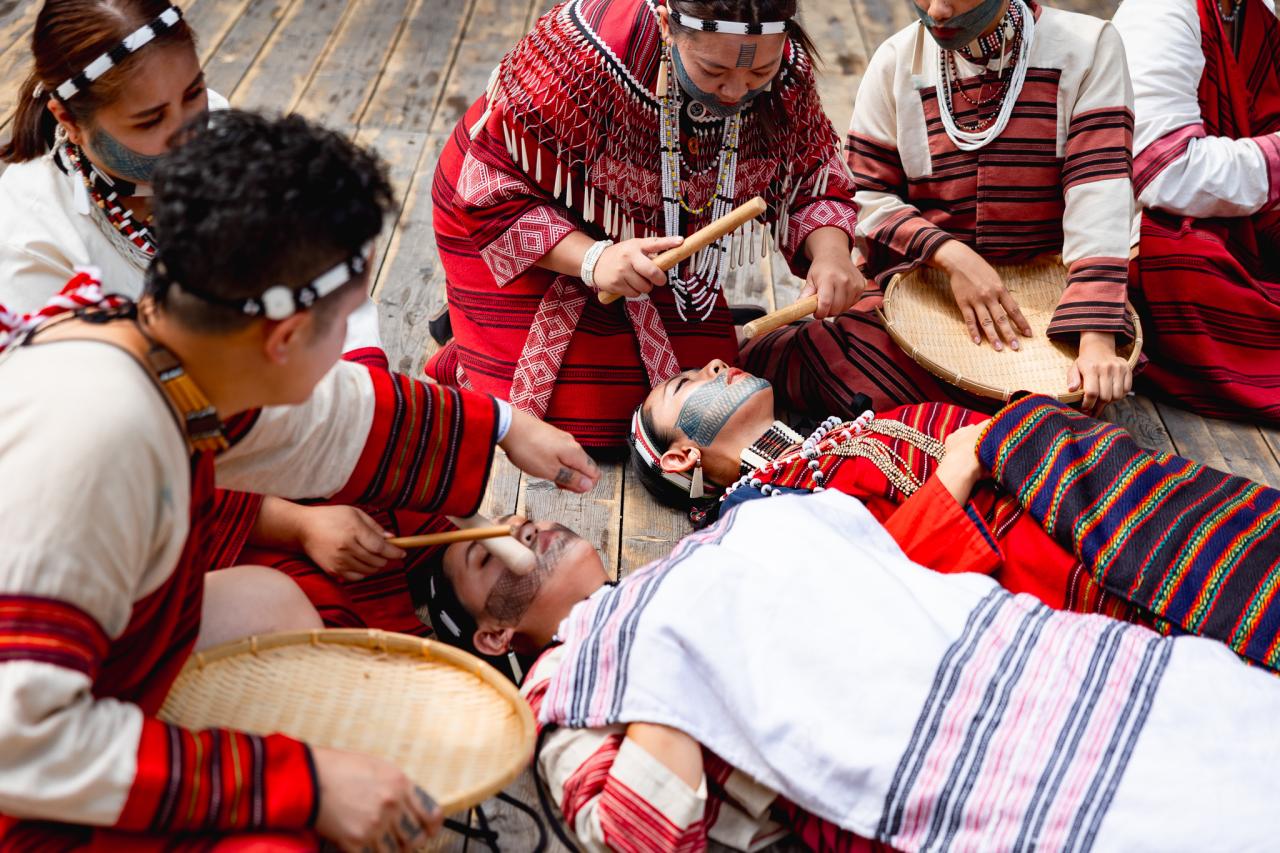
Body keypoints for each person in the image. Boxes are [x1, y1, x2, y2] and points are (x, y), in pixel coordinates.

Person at [0, 109, 599, 850]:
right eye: (346, 321)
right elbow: (24, 742)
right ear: (283, 337)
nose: (352, 348)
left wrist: (504, 426)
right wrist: (304, 783)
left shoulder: (156, 351)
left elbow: (319, 423)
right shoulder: (94, 440)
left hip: (89, 677)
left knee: (271, 605)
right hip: (27, 779)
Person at [428, 491, 1280, 852]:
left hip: (1015, 664)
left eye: (510, 517)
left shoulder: (688, 565)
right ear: (496, 635)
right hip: (933, 763)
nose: (518, 529)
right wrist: (661, 644)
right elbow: (637, 836)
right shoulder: (567, 692)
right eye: (483, 555)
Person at [0, 0, 461, 640]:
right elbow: (134, 447)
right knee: (318, 607)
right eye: (150, 120)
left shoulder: (215, 130)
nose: (189, 130)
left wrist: (363, 398)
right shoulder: (31, 243)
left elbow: (316, 275)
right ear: (67, 120)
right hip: (177, 487)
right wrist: (292, 521)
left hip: (258, 407)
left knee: (415, 496)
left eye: (193, 93)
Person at [629, 359, 1280, 670]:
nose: (714, 365)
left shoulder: (836, 439)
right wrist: (957, 471)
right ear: (682, 455)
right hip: (1070, 573)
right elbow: (863, 608)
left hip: (1123, 503)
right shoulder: (757, 516)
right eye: (686, 384)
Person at [428, 0, 863, 450]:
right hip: (520, 224)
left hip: (650, 238)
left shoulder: (785, 65)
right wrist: (594, 259)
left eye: (759, 73)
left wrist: (831, 255)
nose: (736, 91)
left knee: (694, 395)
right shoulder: (583, 51)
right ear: (666, 25)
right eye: (713, 71)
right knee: (595, 416)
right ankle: (471, 325)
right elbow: (489, 188)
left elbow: (813, 174)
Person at [745, 0, 1138, 415]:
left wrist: (1095, 340)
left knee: (1079, 382)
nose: (937, 11)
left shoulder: (1088, 47)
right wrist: (951, 257)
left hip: (1046, 299)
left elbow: (1099, 193)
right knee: (803, 356)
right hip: (927, 290)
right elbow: (866, 193)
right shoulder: (896, 60)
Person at [1112, 0, 1280, 424]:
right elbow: (1163, 171)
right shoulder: (1160, 12)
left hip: (1242, 214)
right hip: (1153, 230)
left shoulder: (1252, 10)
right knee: (1186, 266)